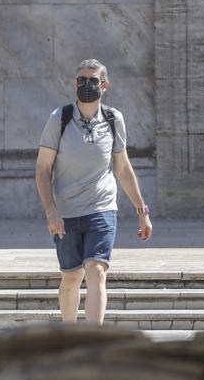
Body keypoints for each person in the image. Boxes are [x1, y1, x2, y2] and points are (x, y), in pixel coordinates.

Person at [34, 59, 153, 324]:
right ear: (75, 83)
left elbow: (122, 168)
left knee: (96, 270)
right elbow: (42, 169)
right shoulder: (59, 119)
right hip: (66, 212)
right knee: (71, 277)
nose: (87, 85)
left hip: (102, 207)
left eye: (93, 81)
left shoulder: (113, 119)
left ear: (105, 85)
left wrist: (141, 211)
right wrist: (51, 212)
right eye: (82, 80)